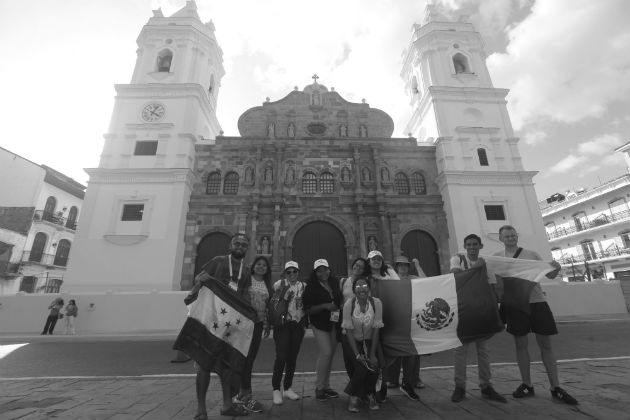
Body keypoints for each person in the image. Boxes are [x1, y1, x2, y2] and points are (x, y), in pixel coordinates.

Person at [493, 225, 578, 405]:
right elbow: (489, 276)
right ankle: (527, 384)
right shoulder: (496, 258)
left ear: (517, 236)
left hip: (537, 302)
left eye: (512, 235)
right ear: (500, 238)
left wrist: (556, 267)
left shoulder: (532, 255)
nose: (510, 238)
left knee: (546, 344)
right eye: (506, 236)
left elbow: (551, 275)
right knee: (520, 344)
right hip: (516, 305)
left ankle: (556, 387)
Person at [185, 233, 252, 418]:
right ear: (230, 245)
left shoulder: (246, 271)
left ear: (247, 249)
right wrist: (193, 292)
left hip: (230, 324)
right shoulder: (218, 261)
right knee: (203, 364)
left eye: (244, 245)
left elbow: (245, 296)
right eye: (237, 243)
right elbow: (200, 277)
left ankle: (227, 404)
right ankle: (201, 409)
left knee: (228, 365)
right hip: (209, 321)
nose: (240, 246)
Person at [449, 234, 506, 403]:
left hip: (481, 311)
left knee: (483, 350)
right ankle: (459, 387)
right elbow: (457, 277)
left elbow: (492, 287)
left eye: (475, 244)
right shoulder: (457, 258)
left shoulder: (486, 263)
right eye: (469, 245)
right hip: (463, 311)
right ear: (465, 246)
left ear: (480, 246)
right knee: (460, 351)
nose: (472, 247)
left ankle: (486, 386)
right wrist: (477, 268)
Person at [232, 255, 273, 413]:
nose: (261, 267)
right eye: (258, 264)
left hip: (257, 326)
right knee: (242, 359)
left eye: (264, 265)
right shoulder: (245, 280)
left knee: (249, 360)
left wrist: (267, 325)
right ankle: (244, 395)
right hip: (243, 325)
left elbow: (268, 307)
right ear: (253, 266)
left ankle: (242, 394)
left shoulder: (268, 285)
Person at [302, 258, 343, 402]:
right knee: (326, 352)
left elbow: (340, 299)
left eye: (325, 269)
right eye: (319, 270)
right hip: (319, 324)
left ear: (329, 269)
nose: (323, 272)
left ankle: (327, 385)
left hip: (334, 322)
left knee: (330, 355)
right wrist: (325, 306)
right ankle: (319, 387)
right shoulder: (311, 287)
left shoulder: (335, 282)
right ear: (315, 273)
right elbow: (308, 309)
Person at [342, 277, 384, 412]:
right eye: (358, 287)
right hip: (352, 341)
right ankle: (355, 397)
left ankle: (368, 393)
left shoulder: (376, 303)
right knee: (361, 366)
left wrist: (372, 354)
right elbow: (348, 332)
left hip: (369, 340)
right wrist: (357, 354)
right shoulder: (349, 304)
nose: (362, 289)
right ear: (354, 290)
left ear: (369, 289)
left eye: (365, 286)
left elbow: (377, 329)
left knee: (374, 365)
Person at [386, 256, 425, 392]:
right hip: (396, 318)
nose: (403, 267)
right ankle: (392, 379)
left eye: (405, 265)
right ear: (396, 267)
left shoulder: (412, 278)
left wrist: (418, 266)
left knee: (413, 350)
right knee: (395, 349)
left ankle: (414, 379)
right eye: (400, 265)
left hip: (412, 318)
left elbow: (427, 282)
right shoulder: (390, 280)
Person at [271, 261, 306, 405]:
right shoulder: (279, 285)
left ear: (298, 272)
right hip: (283, 325)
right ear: (285, 273)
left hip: (297, 325)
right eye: (289, 272)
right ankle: (276, 389)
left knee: (292, 357)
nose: (292, 274)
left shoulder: (304, 286)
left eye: (294, 271)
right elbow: (274, 301)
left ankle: (287, 387)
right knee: (281, 357)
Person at [340, 258, 370, 379]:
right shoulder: (343, 282)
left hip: (361, 324)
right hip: (346, 324)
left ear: (364, 270)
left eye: (361, 267)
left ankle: (359, 390)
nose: (357, 268)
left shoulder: (366, 282)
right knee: (348, 359)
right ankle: (355, 386)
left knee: (360, 356)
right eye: (356, 265)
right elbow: (340, 302)